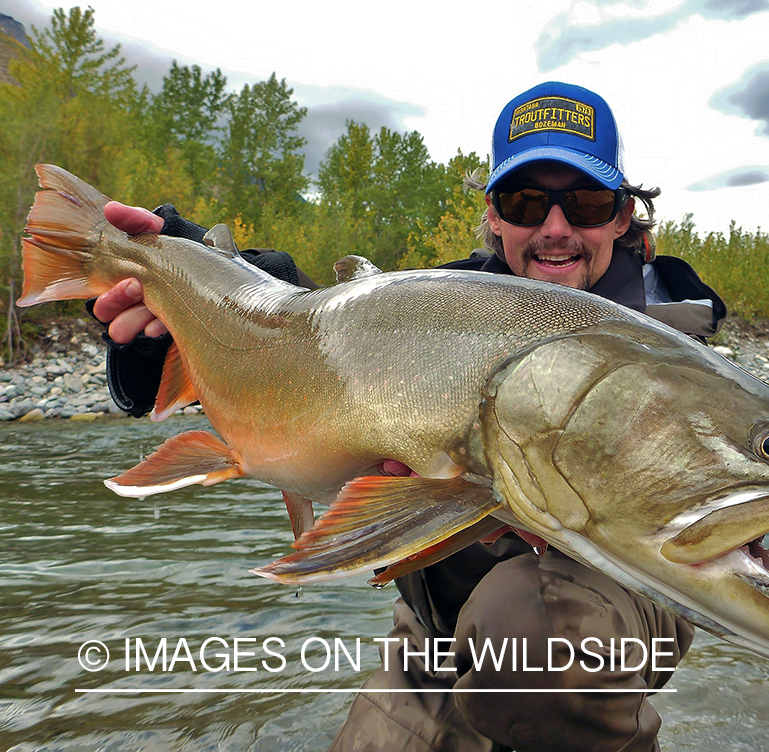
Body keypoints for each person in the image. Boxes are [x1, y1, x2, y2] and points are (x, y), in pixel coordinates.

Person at [92, 82, 727, 752]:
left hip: (600, 617)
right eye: (525, 202)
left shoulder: (672, 352)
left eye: (588, 203)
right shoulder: (436, 301)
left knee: (534, 643)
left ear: (624, 215)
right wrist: (211, 291)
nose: (555, 228)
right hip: (436, 641)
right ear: (493, 214)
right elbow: (329, 344)